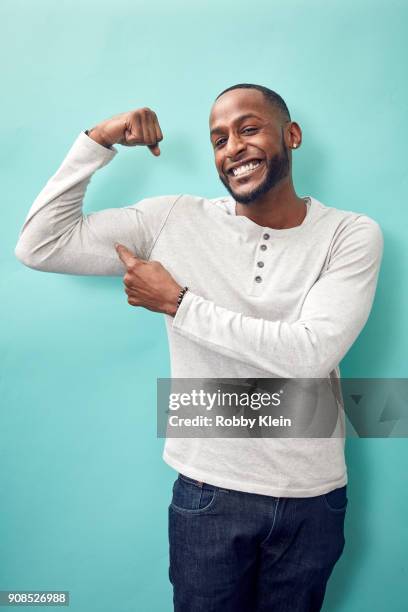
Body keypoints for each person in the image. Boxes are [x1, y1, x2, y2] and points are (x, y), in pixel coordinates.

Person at [15, 83, 383, 612]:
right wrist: (98, 140)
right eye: (218, 139)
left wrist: (179, 303)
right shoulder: (173, 219)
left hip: (313, 499)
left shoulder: (350, 234)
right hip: (211, 494)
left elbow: (310, 354)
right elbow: (39, 244)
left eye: (248, 128)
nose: (232, 147)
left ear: (291, 136)